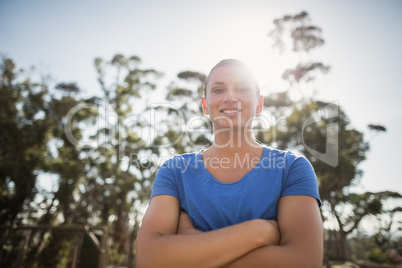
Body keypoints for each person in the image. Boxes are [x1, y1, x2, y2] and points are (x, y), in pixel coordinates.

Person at [135, 59, 323, 267]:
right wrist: (260, 232)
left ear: (259, 103)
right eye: (218, 90)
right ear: (205, 105)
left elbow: (303, 261)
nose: (230, 97)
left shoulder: (292, 168)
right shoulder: (175, 171)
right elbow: (148, 259)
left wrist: (191, 249)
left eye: (242, 88)